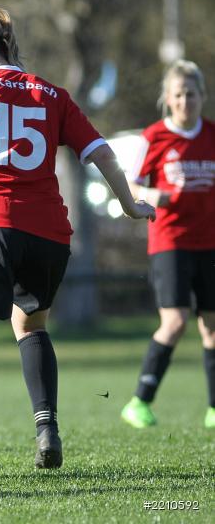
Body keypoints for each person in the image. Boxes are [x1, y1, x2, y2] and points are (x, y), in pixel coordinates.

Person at [0, 8, 156, 480]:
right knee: (30, 327)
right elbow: (101, 151)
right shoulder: (53, 94)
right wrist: (129, 203)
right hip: (50, 232)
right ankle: (47, 428)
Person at [120, 60, 215, 430]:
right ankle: (139, 402)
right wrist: (151, 193)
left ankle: (213, 409)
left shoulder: (211, 134)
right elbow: (130, 186)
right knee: (174, 322)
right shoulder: (154, 137)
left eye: (191, 94)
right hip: (170, 241)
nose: (185, 100)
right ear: (168, 99)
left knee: (211, 326)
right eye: (178, 94)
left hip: (209, 243)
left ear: (202, 96)